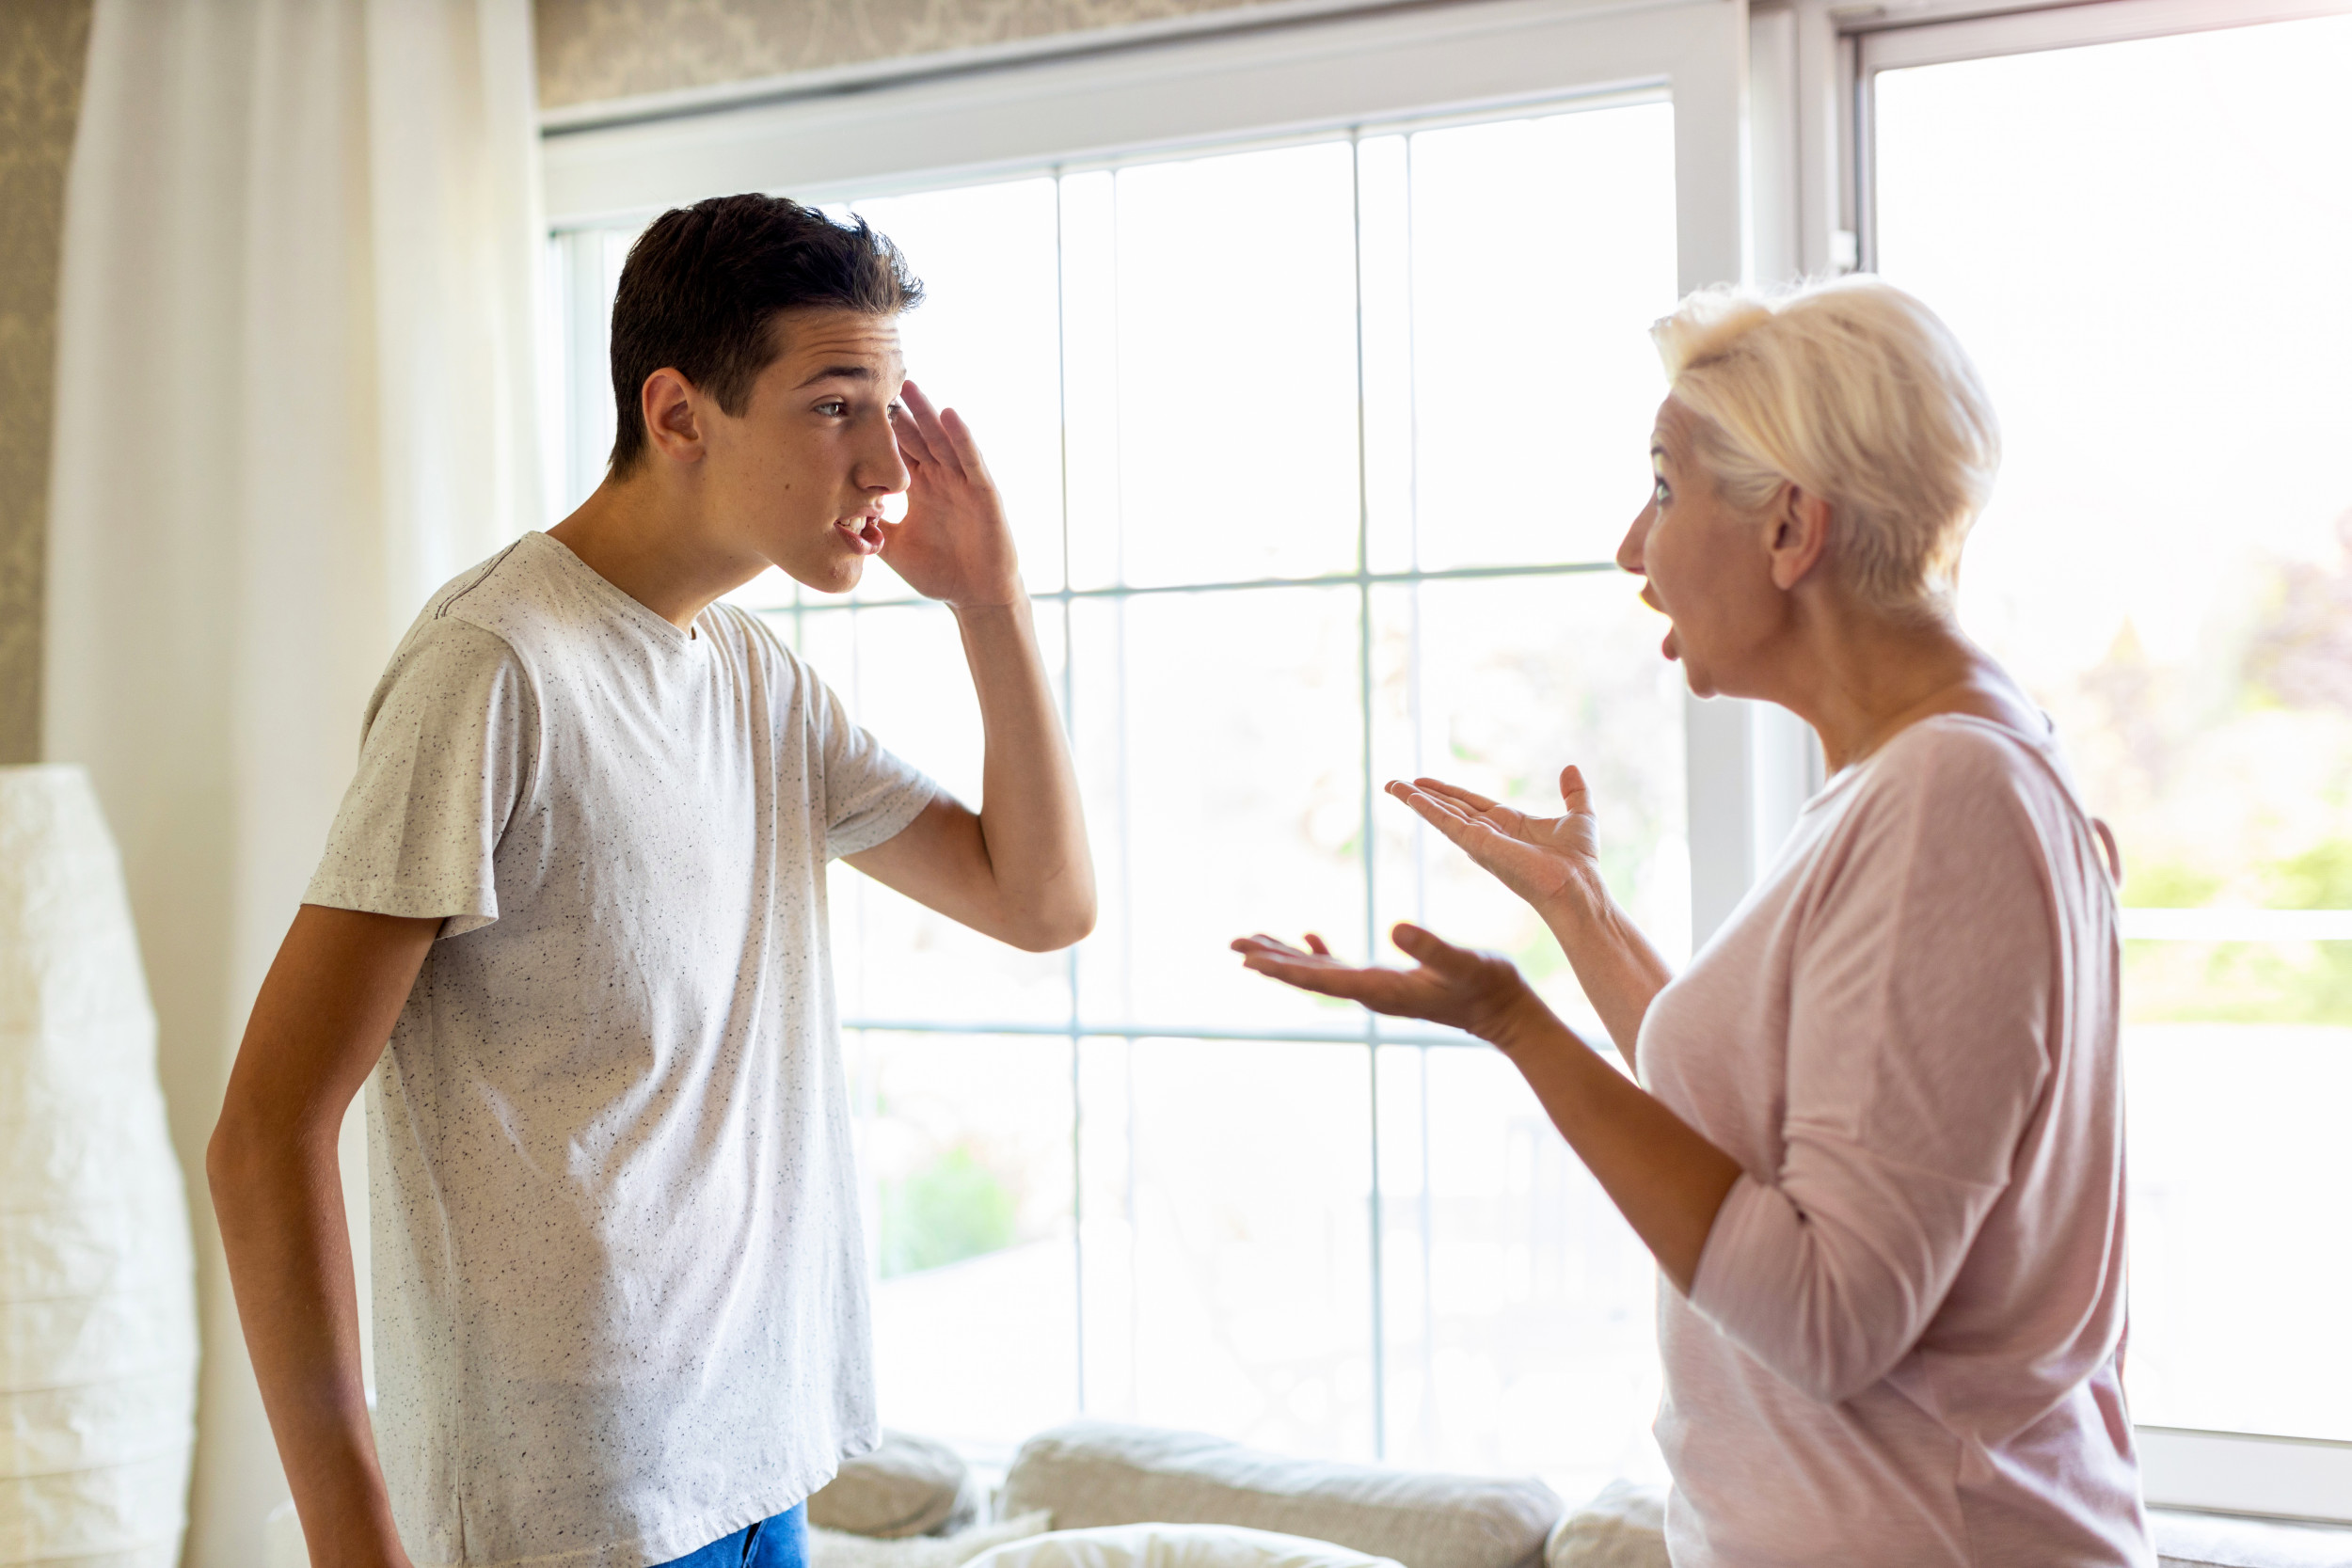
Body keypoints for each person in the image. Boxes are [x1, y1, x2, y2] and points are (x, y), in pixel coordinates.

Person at [208, 194, 1094, 1568]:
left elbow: (1039, 903)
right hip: (572, 1514)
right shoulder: (493, 668)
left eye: (894, 407)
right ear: (678, 412)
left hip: (756, 1469)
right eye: (835, 406)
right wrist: (351, 1541)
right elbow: (265, 1131)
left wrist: (991, 604)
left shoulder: (758, 683)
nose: (886, 466)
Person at [1235, 277, 2152, 1566]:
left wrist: (1515, 1024)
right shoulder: (1913, 780)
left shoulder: (1953, 797)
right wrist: (1581, 911)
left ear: (1790, 529)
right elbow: (1760, 1143)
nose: (1632, 548)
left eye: (1662, 489)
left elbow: (1830, 1315)